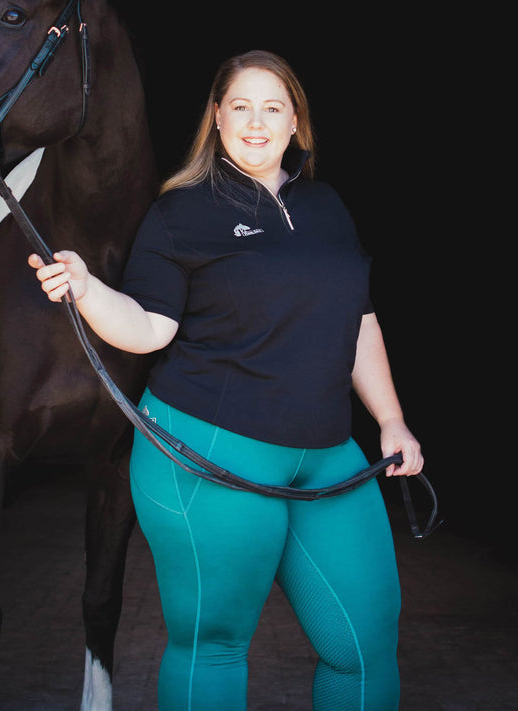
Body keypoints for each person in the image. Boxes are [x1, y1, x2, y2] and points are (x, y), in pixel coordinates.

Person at [29, 49, 423, 711]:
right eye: (239, 105)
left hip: (327, 454)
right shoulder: (181, 211)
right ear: (216, 117)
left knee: (364, 642)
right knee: (213, 641)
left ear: (295, 121)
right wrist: (87, 288)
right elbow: (149, 326)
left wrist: (389, 419)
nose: (255, 121)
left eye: (272, 107)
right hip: (207, 452)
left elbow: (358, 321)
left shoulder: (325, 206)